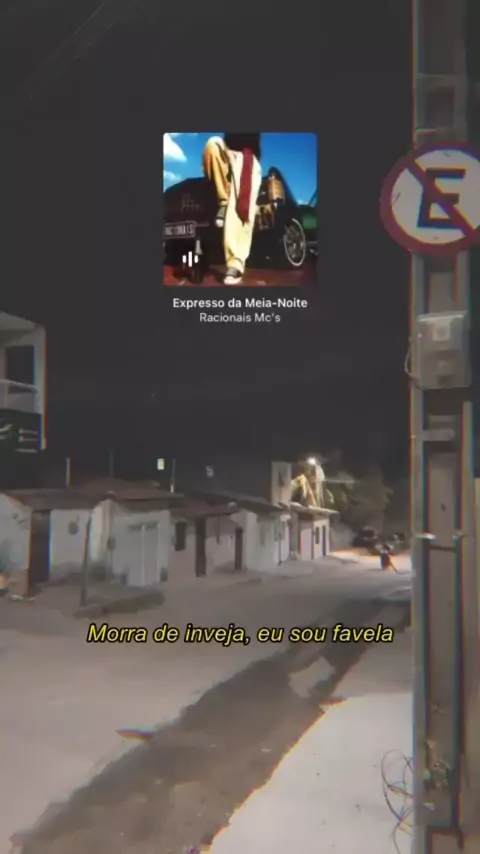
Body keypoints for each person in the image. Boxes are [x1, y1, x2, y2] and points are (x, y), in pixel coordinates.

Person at [202, 133, 262, 285]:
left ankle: (236, 262)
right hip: (228, 153)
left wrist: (237, 156)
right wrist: (228, 152)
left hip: (247, 157)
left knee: (242, 166)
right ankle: (223, 201)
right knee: (213, 143)